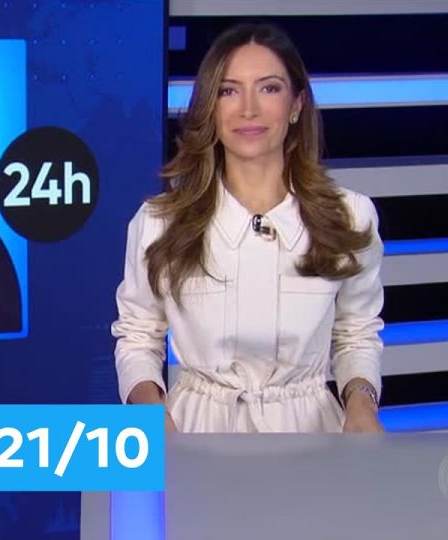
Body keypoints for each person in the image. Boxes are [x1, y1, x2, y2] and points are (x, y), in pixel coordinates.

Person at [112, 22, 385, 434]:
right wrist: (151, 416)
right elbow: (137, 337)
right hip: (194, 433)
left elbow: (356, 334)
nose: (248, 110)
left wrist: (362, 406)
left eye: (269, 88)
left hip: (311, 434)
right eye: (229, 91)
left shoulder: (349, 216)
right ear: (210, 107)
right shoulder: (159, 222)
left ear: (296, 105)